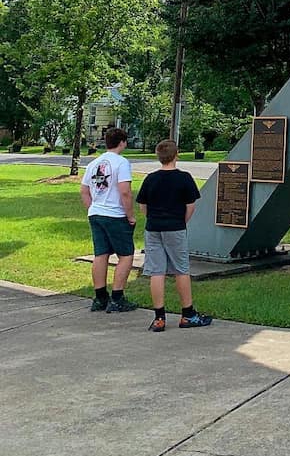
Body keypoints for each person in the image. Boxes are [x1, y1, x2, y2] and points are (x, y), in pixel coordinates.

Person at [136, 139, 212, 331]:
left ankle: (159, 317)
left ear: (158, 156)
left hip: (153, 228)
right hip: (175, 227)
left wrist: (154, 218)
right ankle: (187, 314)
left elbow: (142, 206)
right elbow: (191, 206)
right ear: (176, 155)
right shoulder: (184, 178)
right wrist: (181, 221)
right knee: (181, 269)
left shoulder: (150, 179)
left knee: (156, 271)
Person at [80, 126, 138, 313]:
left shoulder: (94, 163)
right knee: (126, 255)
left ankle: (100, 297)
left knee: (101, 254)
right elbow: (124, 191)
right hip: (115, 214)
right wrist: (130, 215)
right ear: (122, 142)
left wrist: (93, 207)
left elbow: (84, 189)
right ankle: (118, 296)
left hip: (96, 213)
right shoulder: (121, 163)